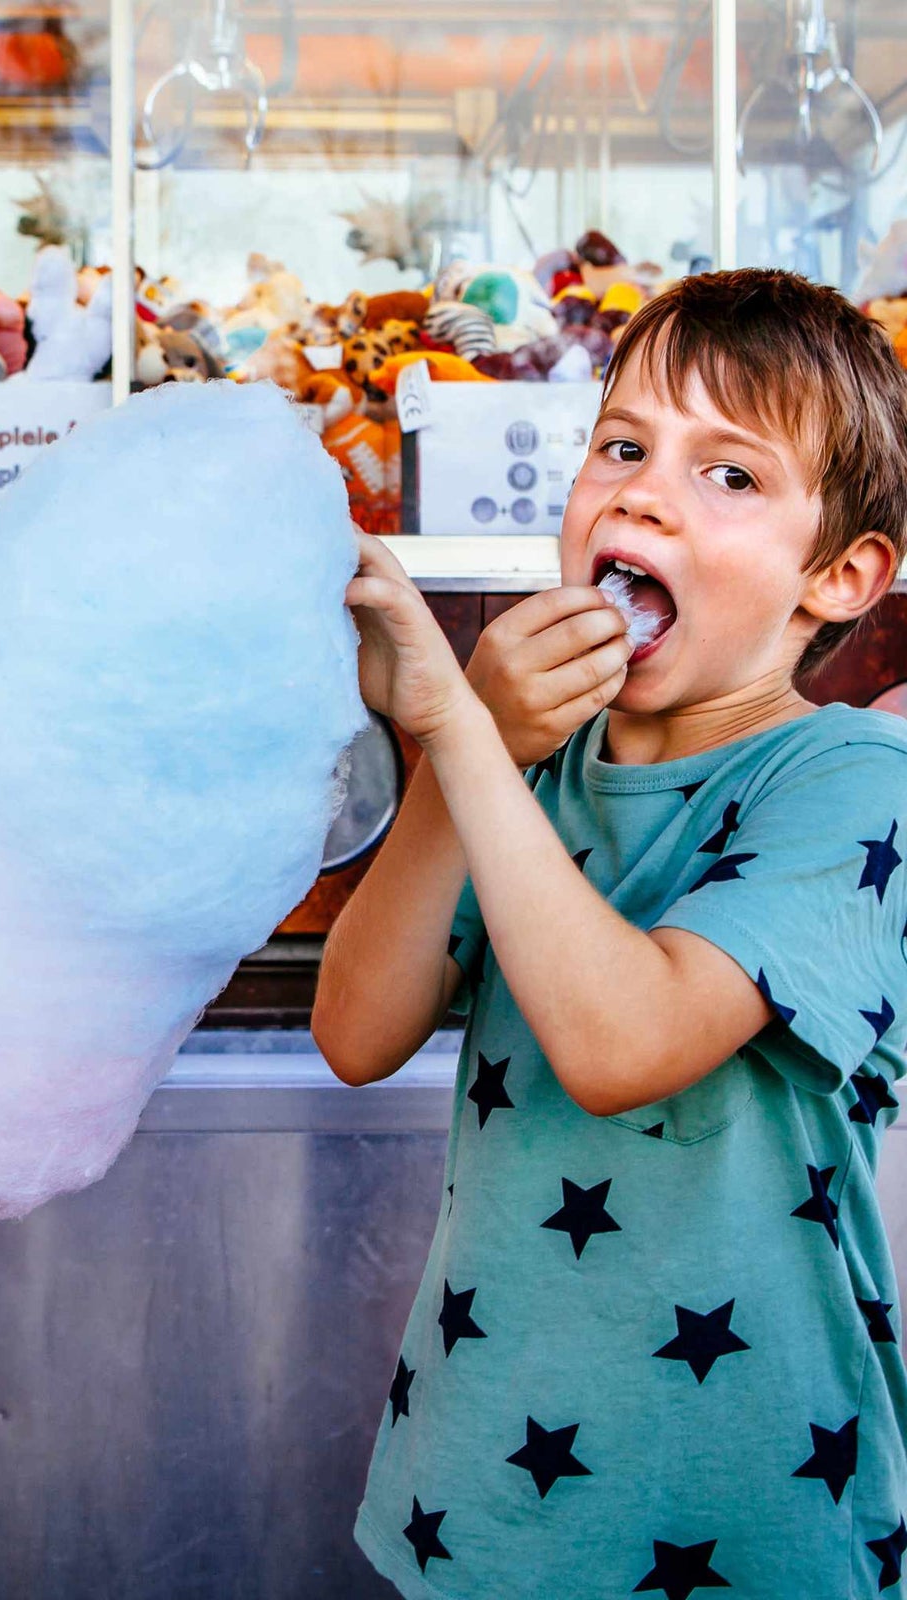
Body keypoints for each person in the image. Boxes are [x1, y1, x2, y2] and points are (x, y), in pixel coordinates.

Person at [315, 270, 907, 1599]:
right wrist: (474, 743)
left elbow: (622, 1039)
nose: (642, 494)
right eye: (623, 448)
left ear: (842, 576)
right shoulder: (527, 766)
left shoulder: (856, 782)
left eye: (731, 477)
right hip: (474, 1511)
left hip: (759, 1525)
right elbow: (356, 1032)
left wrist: (464, 729)